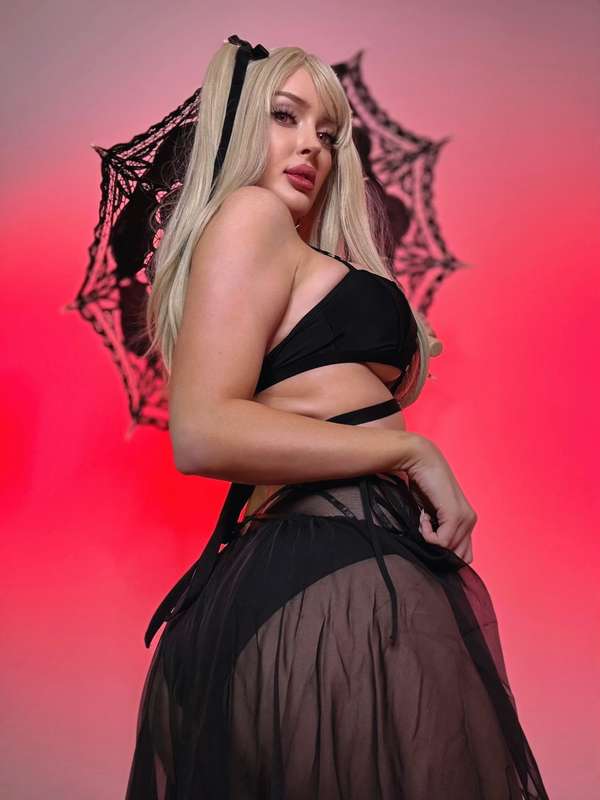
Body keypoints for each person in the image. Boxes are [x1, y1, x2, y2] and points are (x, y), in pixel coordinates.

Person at [124, 36, 549, 799]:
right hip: (326, 574)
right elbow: (203, 432)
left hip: (337, 569)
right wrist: (411, 453)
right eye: (284, 117)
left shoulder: (291, 250)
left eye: (327, 133)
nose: (311, 147)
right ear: (237, 126)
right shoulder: (251, 214)